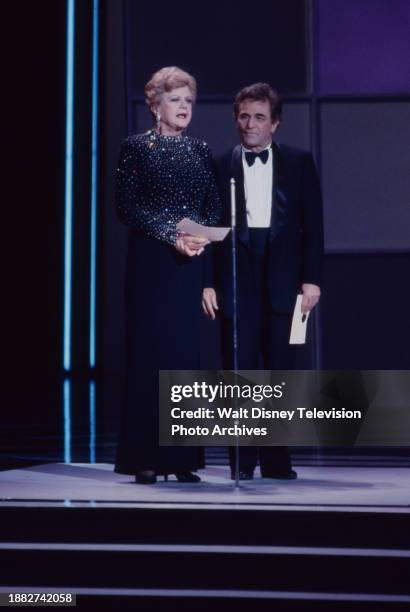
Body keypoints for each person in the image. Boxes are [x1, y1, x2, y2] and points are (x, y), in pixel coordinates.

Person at [202, 83, 323, 480]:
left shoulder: (300, 162)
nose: (249, 124)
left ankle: (276, 458)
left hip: (285, 279)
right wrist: (208, 281)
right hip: (237, 275)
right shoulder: (219, 164)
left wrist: (312, 280)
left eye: (258, 117)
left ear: (275, 123)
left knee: (279, 371)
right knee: (239, 371)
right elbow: (209, 228)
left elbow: (313, 227)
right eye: (243, 116)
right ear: (234, 119)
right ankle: (242, 458)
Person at [115, 66, 221, 484]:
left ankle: (180, 461)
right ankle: (145, 457)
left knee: (183, 362)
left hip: (187, 268)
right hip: (150, 268)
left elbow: (212, 208)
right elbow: (127, 207)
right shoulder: (135, 148)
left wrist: (199, 243)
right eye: (175, 100)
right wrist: (170, 234)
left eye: (188, 101)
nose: (183, 108)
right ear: (155, 105)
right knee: (149, 358)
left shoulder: (199, 150)